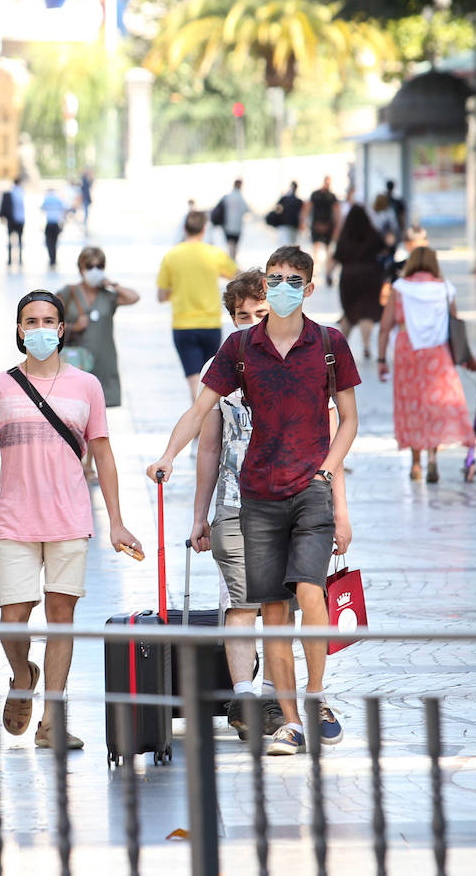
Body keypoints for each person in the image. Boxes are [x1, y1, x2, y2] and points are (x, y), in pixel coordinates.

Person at [148, 246, 358, 757]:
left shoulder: (329, 344)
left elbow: (346, 420)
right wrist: (168, 454)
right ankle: (288, 720)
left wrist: (331, 483)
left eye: (291, 280)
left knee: (309, 593)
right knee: (269, 610)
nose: (282, 287)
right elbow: (201, 411)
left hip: (310, 490)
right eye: (274, 278)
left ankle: (315, 696)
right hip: (255, 496)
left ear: (308, 288)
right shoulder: (239, 351)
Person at [0, 291, 144, 750]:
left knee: (60, 619)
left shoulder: (86, 385)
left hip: (70, 518)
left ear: (63, 329)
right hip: (15, 520)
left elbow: (103, 454)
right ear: (19, 329)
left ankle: (52, 721)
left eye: (49, 320)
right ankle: (23, 673)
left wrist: (118, 522)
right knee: (13, 619)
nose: (40, 328)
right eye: (31, 321)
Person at [189, 269, 286, 740]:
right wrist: (199, 516)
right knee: (239, 603)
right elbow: (208, 446)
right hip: (234, 502)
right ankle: (245, 696)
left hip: (291, 498)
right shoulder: (222, 364)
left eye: (259, 313)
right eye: (241, 316)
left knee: (282, 603)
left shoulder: (300, 356)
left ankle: (272, 693)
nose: (250, 322)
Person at [377, 247, 476, 482]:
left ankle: (415, 463)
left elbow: (384, 325)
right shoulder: (444, 288)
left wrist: (381, 359)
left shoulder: (400, 289)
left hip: (407, 352)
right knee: (434, 405)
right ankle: (433, 457)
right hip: (437, 353)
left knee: (412, 406)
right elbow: (455, 324)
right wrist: (465, 355)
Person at [157, 210, 238, 401]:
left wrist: (176, 289)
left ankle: (199, 425)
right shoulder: (214, 254)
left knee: (194, 380)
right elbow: (238, 276)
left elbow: (161, 295)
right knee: (209, 379)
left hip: (183, 325)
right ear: (204, 229)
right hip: (210, 324)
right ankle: (207, 424)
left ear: (185, 228)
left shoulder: (171, 256)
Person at [59, 246, 140, 410]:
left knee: (99, 408)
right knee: (76, 405)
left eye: (99, 267)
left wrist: (113, 284)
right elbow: (49, 321)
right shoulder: (69, 293)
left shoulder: (108, 295)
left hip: (104, 360)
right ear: (81, 268)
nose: (94, 270)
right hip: (77, 361)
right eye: (89, 266)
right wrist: (73, 327)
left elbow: (134, 298)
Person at [332, 202, 387, 360]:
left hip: (348, 277)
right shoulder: (372, 233)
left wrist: (328, 273)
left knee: (349, 313)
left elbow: (336, 257)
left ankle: (340, 349)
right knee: (367, 311)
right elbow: (385, 250)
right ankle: (366, 346)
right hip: (371, 275)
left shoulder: (345, 235)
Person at [307, 177, 341, 282]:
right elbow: (308, 207)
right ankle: (315, 269)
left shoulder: (331, 196)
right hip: (317, 224)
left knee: (327, 249)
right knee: (316, 248)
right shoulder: (316, 194)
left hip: (327, 225)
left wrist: (336, 225)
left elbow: (336, 210)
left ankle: (326, 269)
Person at [217, 178, 250, 258]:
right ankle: (233, 259)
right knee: (234, 244)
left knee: (230, 243)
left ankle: (231, 258)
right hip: (237, 225)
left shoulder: (227, 197)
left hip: (227, 225)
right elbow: (246, 209)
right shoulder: (240, 198)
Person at [0, 177, 26, 266]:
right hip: (20, 219)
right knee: (20, 240)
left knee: (11, 240)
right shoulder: (21, 193)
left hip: (12, 220)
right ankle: (20, 259)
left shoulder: (11, 193)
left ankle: (10, 259)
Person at [40, 187, 68, 268]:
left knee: (49, 243)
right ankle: (54, 259)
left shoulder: (47, 199)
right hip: (56, 223)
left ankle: (52, 258)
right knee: (55, 242)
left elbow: (42, 210)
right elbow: (64, 210)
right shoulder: (58, 199)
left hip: (49, 223)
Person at [273, 182, 304, 246]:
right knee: (291, 246)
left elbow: (277, 209)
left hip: (285, 225)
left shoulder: (284, 199)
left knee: (285, 246)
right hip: (293, 225)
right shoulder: (299, 201)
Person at [78, 168, 93, 234]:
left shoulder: (85, 179)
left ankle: (84, 224)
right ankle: (83, 224)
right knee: (85, 212)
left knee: (85, 212)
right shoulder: (83, 180)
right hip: (85, 198)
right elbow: (84, 189)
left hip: (85, 198)